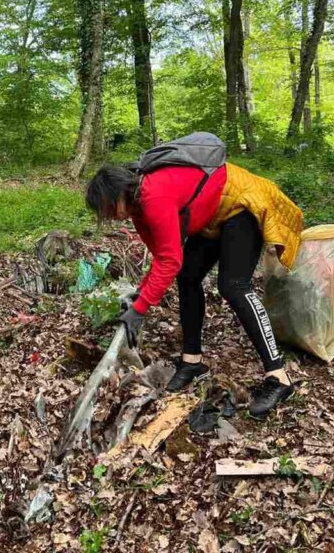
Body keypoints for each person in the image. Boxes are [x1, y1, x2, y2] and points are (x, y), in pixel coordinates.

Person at [85, 154, 304, 416]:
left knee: (233, 286)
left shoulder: (153, 196)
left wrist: (141, 308)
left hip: (241, 204)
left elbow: (169, 260)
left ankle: (279, 377)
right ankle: (192, 362)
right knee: (188, 275)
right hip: (213, 215)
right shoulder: (138, 211)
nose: (110, 216)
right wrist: (140, 294)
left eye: (109, 208)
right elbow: (164, 255)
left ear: (119, 192)